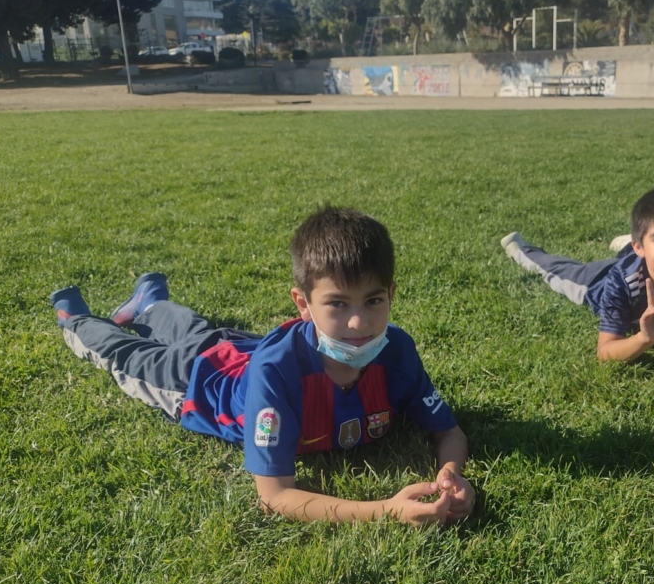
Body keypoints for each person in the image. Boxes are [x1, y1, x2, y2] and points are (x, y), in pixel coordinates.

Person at [49, 206, 475, 526]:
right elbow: (275, 496)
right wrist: (386, 510)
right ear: (302, 304)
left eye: (373, 300)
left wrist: (450, 475)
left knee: (200, 331)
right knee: (130, 357)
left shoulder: (396, 350)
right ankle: (79, 321)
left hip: (242, 350)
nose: (359, 322)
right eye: (338, 304)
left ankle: (151, 304)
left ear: (391, 294)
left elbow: (448, 431)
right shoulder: (280, 370)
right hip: (199, 382)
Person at [501, 184, 654, 389]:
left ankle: (637, 242)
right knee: (557, 271)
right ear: (641, 247)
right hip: (596, 282)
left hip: (642, 258)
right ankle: (523, 251)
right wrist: (644, 339)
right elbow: (605, 352)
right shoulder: (620, 282)